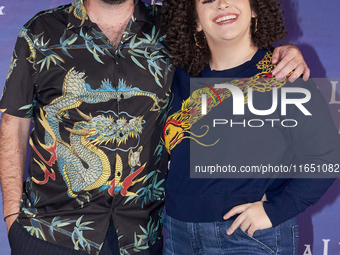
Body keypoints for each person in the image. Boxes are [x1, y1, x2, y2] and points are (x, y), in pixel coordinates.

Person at [0, 0, 309, 254]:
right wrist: (12, 216)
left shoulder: (172, 30)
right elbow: (13, 123)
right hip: (52, 233)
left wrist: (283, 54)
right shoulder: (42, 32)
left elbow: (232, 49)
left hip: (142, 237)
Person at [162, 0, 340, 254]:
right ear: (196, 21)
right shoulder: (179, 75)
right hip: (178, 235)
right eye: (208, 1)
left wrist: (277, 209)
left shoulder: (284, 76)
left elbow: (326, 157)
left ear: (255, 9)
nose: (222, 4)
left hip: (249, 238)